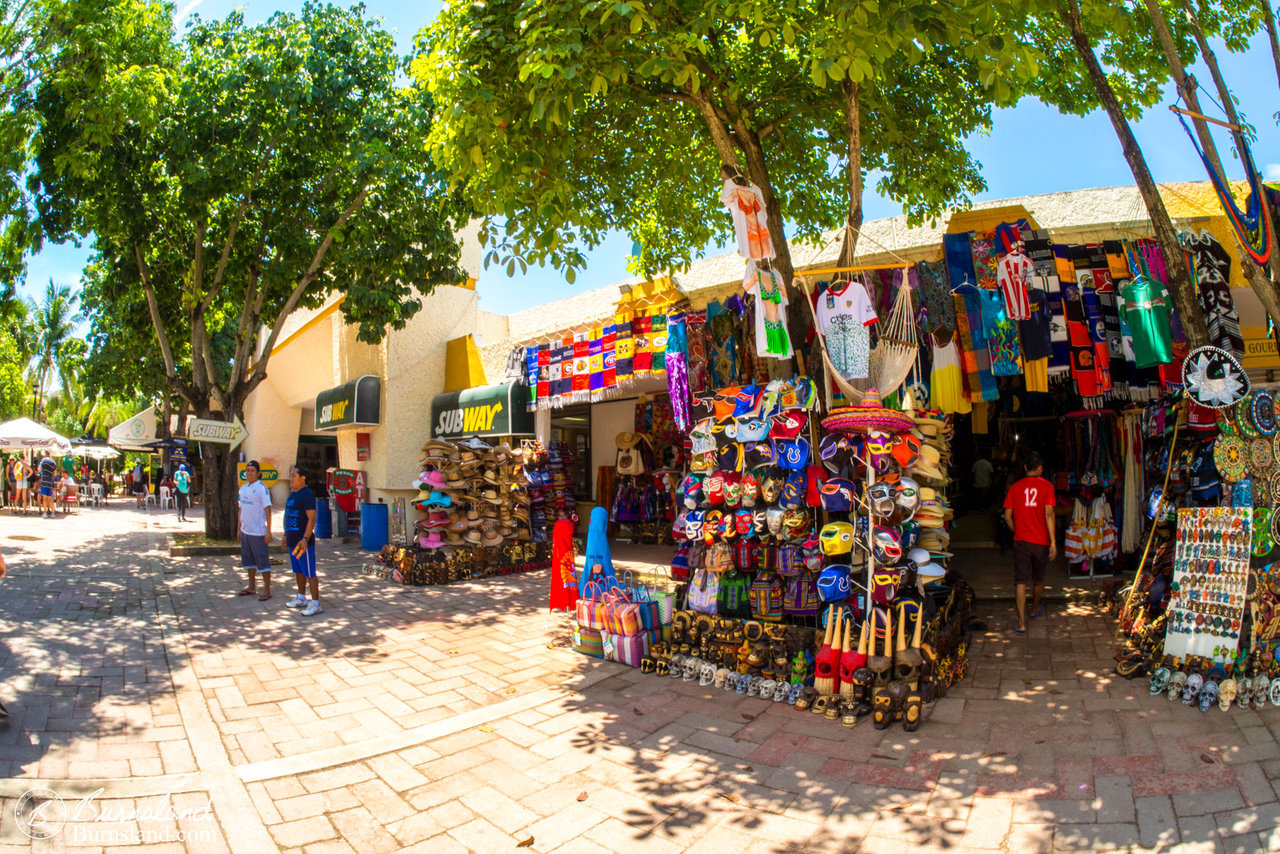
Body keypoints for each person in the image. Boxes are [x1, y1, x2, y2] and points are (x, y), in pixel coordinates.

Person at [1003, 451, 1056, 635]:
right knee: (1038, 580)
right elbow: (1049, 514)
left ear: (1025, 467)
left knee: (1020, 582)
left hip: (1021, 541)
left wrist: (1015, 530)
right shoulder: (1047, 486)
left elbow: (1007, 516)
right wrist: (1054, 542)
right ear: (1040, 468)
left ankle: (1021, 623)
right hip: (1041, 541)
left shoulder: (1014, 488)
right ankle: (1034, 609)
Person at [282, 465, 322, 616]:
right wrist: (286, 534)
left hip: (303, 543)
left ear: (302, 478)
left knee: (310, 572)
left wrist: (305, 538)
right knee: (298, 570)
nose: (291, 479)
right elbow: (288, 515)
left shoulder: (306, 495)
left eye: (293, 476)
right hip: (292, 540)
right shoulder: (292, 495)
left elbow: (311, 518)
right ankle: (301, 597)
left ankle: (316, 603)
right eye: (290, 476)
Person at [237, 460, 274, 601]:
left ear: (258, 473)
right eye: (247, 470)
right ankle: (251, 586)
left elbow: (267, 509)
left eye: (252, 471)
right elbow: (240, 509)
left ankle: (267, 590)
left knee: (262, 560)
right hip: (246, 530)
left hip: (258, 532)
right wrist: (239, 529)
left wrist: (268, 531)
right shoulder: (243, 488)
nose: (249, 473)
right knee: (248, 560)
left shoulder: (261, 488)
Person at [579, 506, 617, 597]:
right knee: (604, 566)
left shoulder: (591, 532)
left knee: (591, 569)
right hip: (600, 549)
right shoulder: (599, 532)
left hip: (594, 550)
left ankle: (590, 590)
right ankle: (603, 589)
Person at [549, 514, 578, 612]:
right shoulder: (564, 545)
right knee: (563, 578)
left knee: (563, 578)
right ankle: (565, 600)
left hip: (564, 556)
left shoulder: (561, 543)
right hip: (564, 557)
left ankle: (567, 599)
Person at [37, 452, 57, 518]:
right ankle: (52, 513)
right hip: (50, 482)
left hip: (44, 481)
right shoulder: (53, 462)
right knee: (50, 498)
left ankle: (45, 512)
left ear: (45, 455)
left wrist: (41, 473)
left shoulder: (43, 460)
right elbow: (55, 473)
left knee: (44, 498)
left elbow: (39, 469)